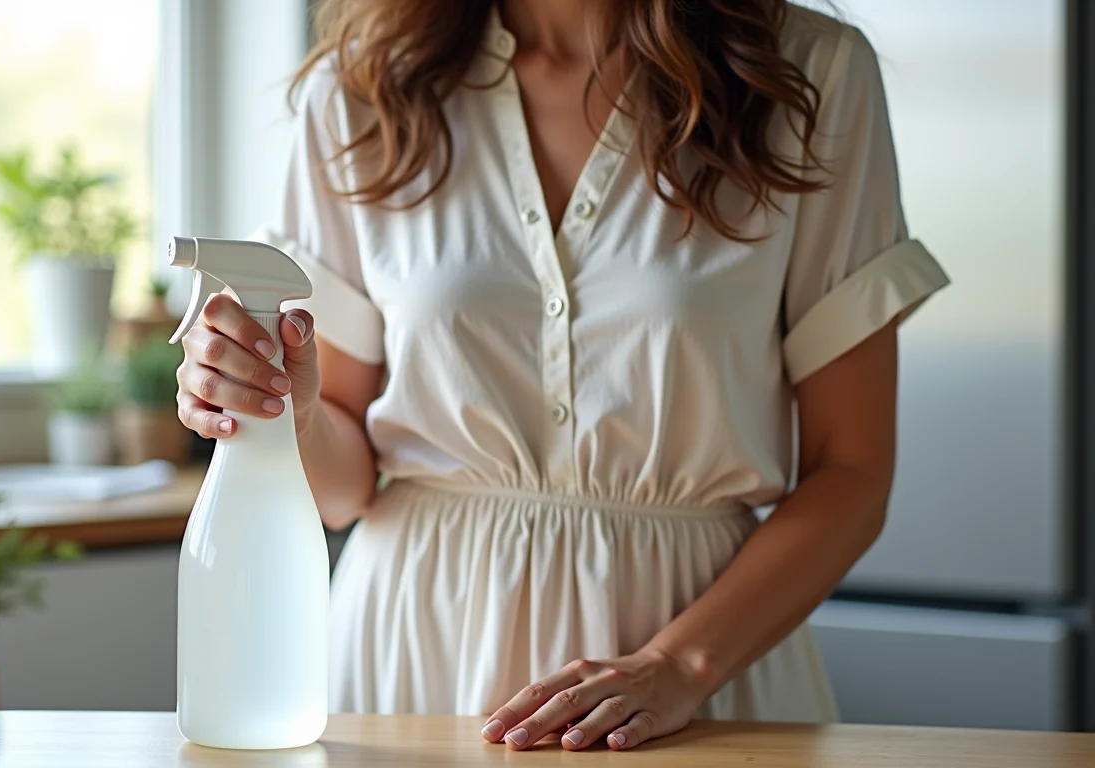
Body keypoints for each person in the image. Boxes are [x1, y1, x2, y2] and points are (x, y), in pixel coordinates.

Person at [174, 0, 950, 752]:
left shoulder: (808, 74)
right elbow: (344, 490)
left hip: (702, 667)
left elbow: (850, 469)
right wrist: (291, 411)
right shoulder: (362, 86)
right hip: (410, 655)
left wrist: (678, 665)